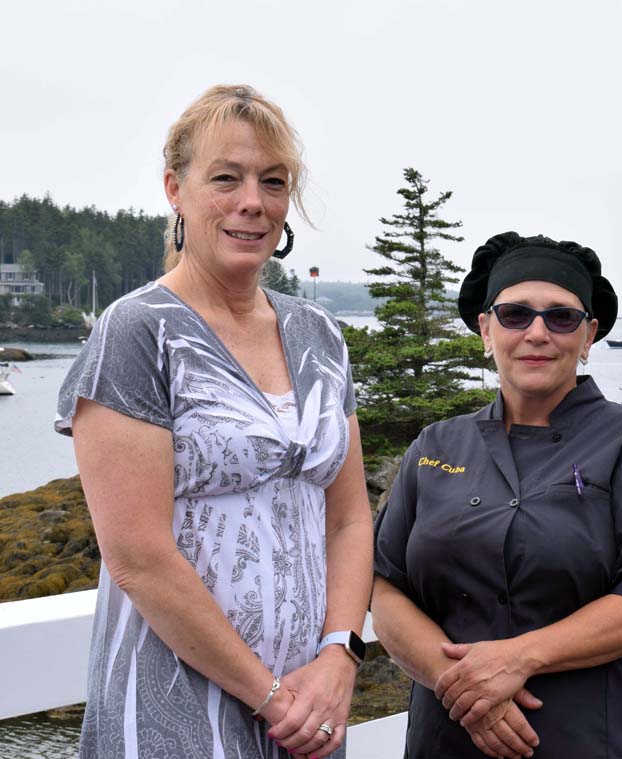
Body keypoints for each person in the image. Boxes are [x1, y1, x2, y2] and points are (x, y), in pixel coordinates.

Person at [55, 84, 373, 759]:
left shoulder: (319, 334)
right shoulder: (137, 332)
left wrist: (340, 653)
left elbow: (348, 516)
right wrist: (272, 696)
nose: (252, 202)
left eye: (273, 180)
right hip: (175, 707)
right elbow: (138, 556)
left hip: (309, 709)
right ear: (176, 188)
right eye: (226, 178)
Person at [372, 231, 622, 759]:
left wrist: (519, 659)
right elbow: (383, 583)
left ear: (588, 335)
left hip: (592, 734)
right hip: (449, 733)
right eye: (515, 314)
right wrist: (462, 686)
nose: (537, 332)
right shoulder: (436, 445)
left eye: (561, 317)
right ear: (485, 329)